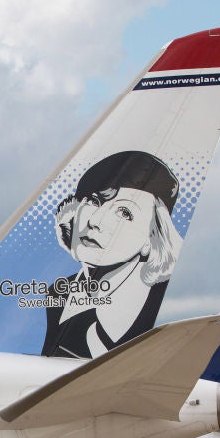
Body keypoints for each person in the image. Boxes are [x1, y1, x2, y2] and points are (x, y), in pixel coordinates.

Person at [41, 150, 183, 358]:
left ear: (151, 238)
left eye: (124, 213)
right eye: (94, 201)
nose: (95, 220)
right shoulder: (58, 293)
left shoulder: (157, 304)